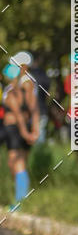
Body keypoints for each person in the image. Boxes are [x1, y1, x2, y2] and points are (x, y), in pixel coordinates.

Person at [2, 51, 39, 209]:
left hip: (17, 129)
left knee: (18, 162)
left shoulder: (26, 83)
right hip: (16, 128)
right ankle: (21, 198)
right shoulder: (18, 84)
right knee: (15, 162)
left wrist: (28, 131)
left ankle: (21, 201)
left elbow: (28, 110)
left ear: (24, 67)